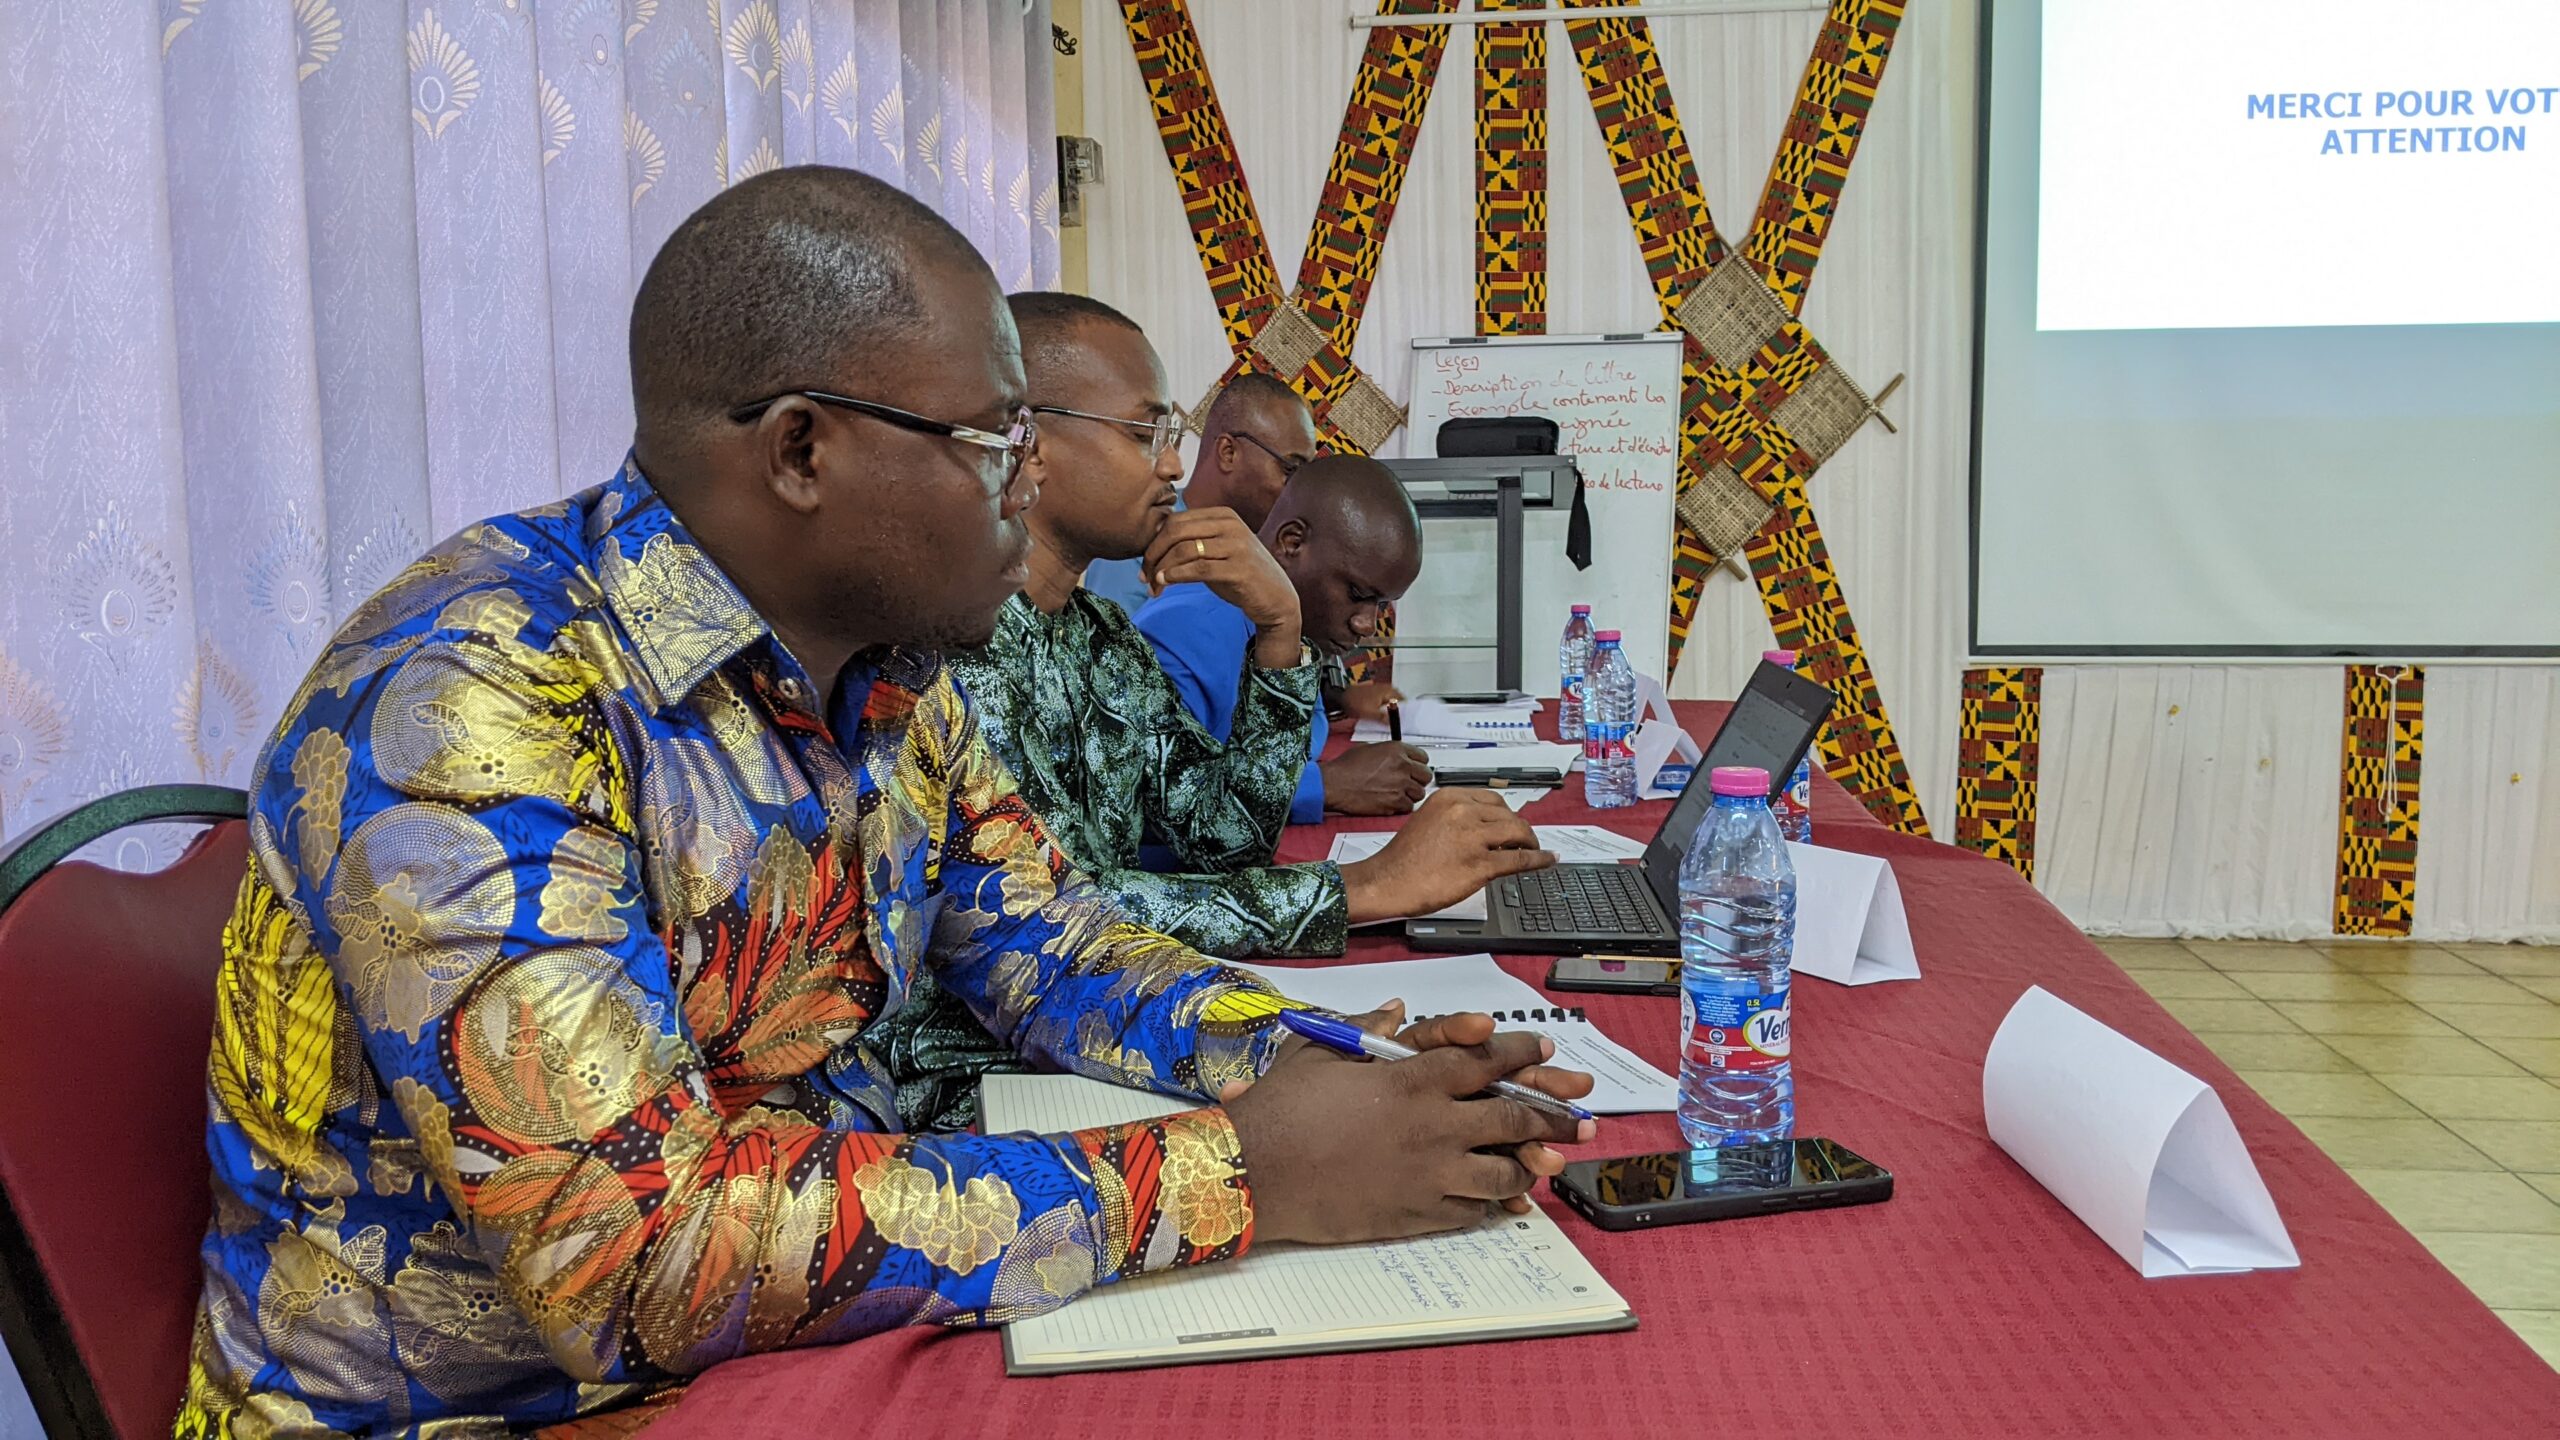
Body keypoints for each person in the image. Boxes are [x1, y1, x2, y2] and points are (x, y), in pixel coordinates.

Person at [179, 167, 1589, 1437]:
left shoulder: (895, 677)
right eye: (995, 447)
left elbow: (1058, 947)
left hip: (768, 1359)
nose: (1031, 487)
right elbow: (630, 1259)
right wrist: (1245, 1170)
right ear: (800, 450)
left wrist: (1340, 1067)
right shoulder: (478, 700)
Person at [946, 293, 1554, 961]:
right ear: (1026, 440)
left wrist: (1279, 634)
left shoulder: (1100, 638)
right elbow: (1049, 911)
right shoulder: (957, 649)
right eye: (1144, 434)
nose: (1175, 466)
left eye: (1170, 437)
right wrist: (1367, 885)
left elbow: (1223, 839)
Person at [1138, 455, 1434, 819]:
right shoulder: (1179, 636)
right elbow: (1157, 806)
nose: (1367, 625)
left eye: (1383, 604)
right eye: (1357, 594)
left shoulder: (1301, 638)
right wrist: (1327, 785)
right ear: (1292, 542)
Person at [1080, 371, 1317, 614]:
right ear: (1228, 453)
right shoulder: (1138, 534)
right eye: (1291, 469)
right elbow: (1103, 647)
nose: (1299, 491)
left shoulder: (1274, 557)